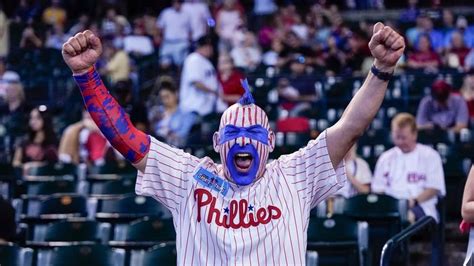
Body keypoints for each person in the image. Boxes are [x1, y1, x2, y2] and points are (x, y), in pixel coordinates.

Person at [62, 22, 404, 264]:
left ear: (270, 141)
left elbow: (351, 127)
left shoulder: (294, 175)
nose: (243, 140)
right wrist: (86, 77)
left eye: (254, 135)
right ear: (216, 142)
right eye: (232, 135)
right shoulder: (190, 176)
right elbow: (127, 139)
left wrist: (381, 69)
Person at [372, 113, 446, 223]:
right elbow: (378, 189)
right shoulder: (385, 158)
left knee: (406, 217)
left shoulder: (430, 155)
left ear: (414, 134)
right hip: (390, 207)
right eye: (397, 137)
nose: (400, 142)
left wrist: (414, 201)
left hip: (421, 206)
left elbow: (434, 188)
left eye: (404, 138)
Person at [148, 78, 195, 148]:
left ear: (175, 94)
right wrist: (154, 120)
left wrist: (169, 134)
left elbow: (184, 135)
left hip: (174, 147)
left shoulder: (186, 114)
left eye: (167, 96)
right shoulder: (157, 111)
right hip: (155, 145)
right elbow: (149, 131)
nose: (165, 101)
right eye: (162, 98)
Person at [178, 35, 218, 117]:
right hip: (193, 108)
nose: (210, 49)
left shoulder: (205, 61)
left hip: (203, 108)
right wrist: (215, 93)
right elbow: (196, 83)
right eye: (206, 46)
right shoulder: (193, 59)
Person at [12, 106, 58, 171]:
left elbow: (55, 164)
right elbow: (16, 162)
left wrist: (34, 166)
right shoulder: (24, 142)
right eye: (31, 118)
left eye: (37, 118)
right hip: (25, 177)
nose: (33, 122)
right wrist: (23, 167)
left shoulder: (53, 142)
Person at [156, 0, 191, 68]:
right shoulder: (166, 13)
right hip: (168, 42)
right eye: (175, 2)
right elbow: (160, 27)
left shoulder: (186, 14)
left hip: (182, 43)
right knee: (164, 64)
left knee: (181, 66)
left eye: (179, 3)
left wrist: (189, 41)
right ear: (173, 3)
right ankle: (165, 78)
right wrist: (158, 37)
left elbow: (189, 30)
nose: (177, 4)